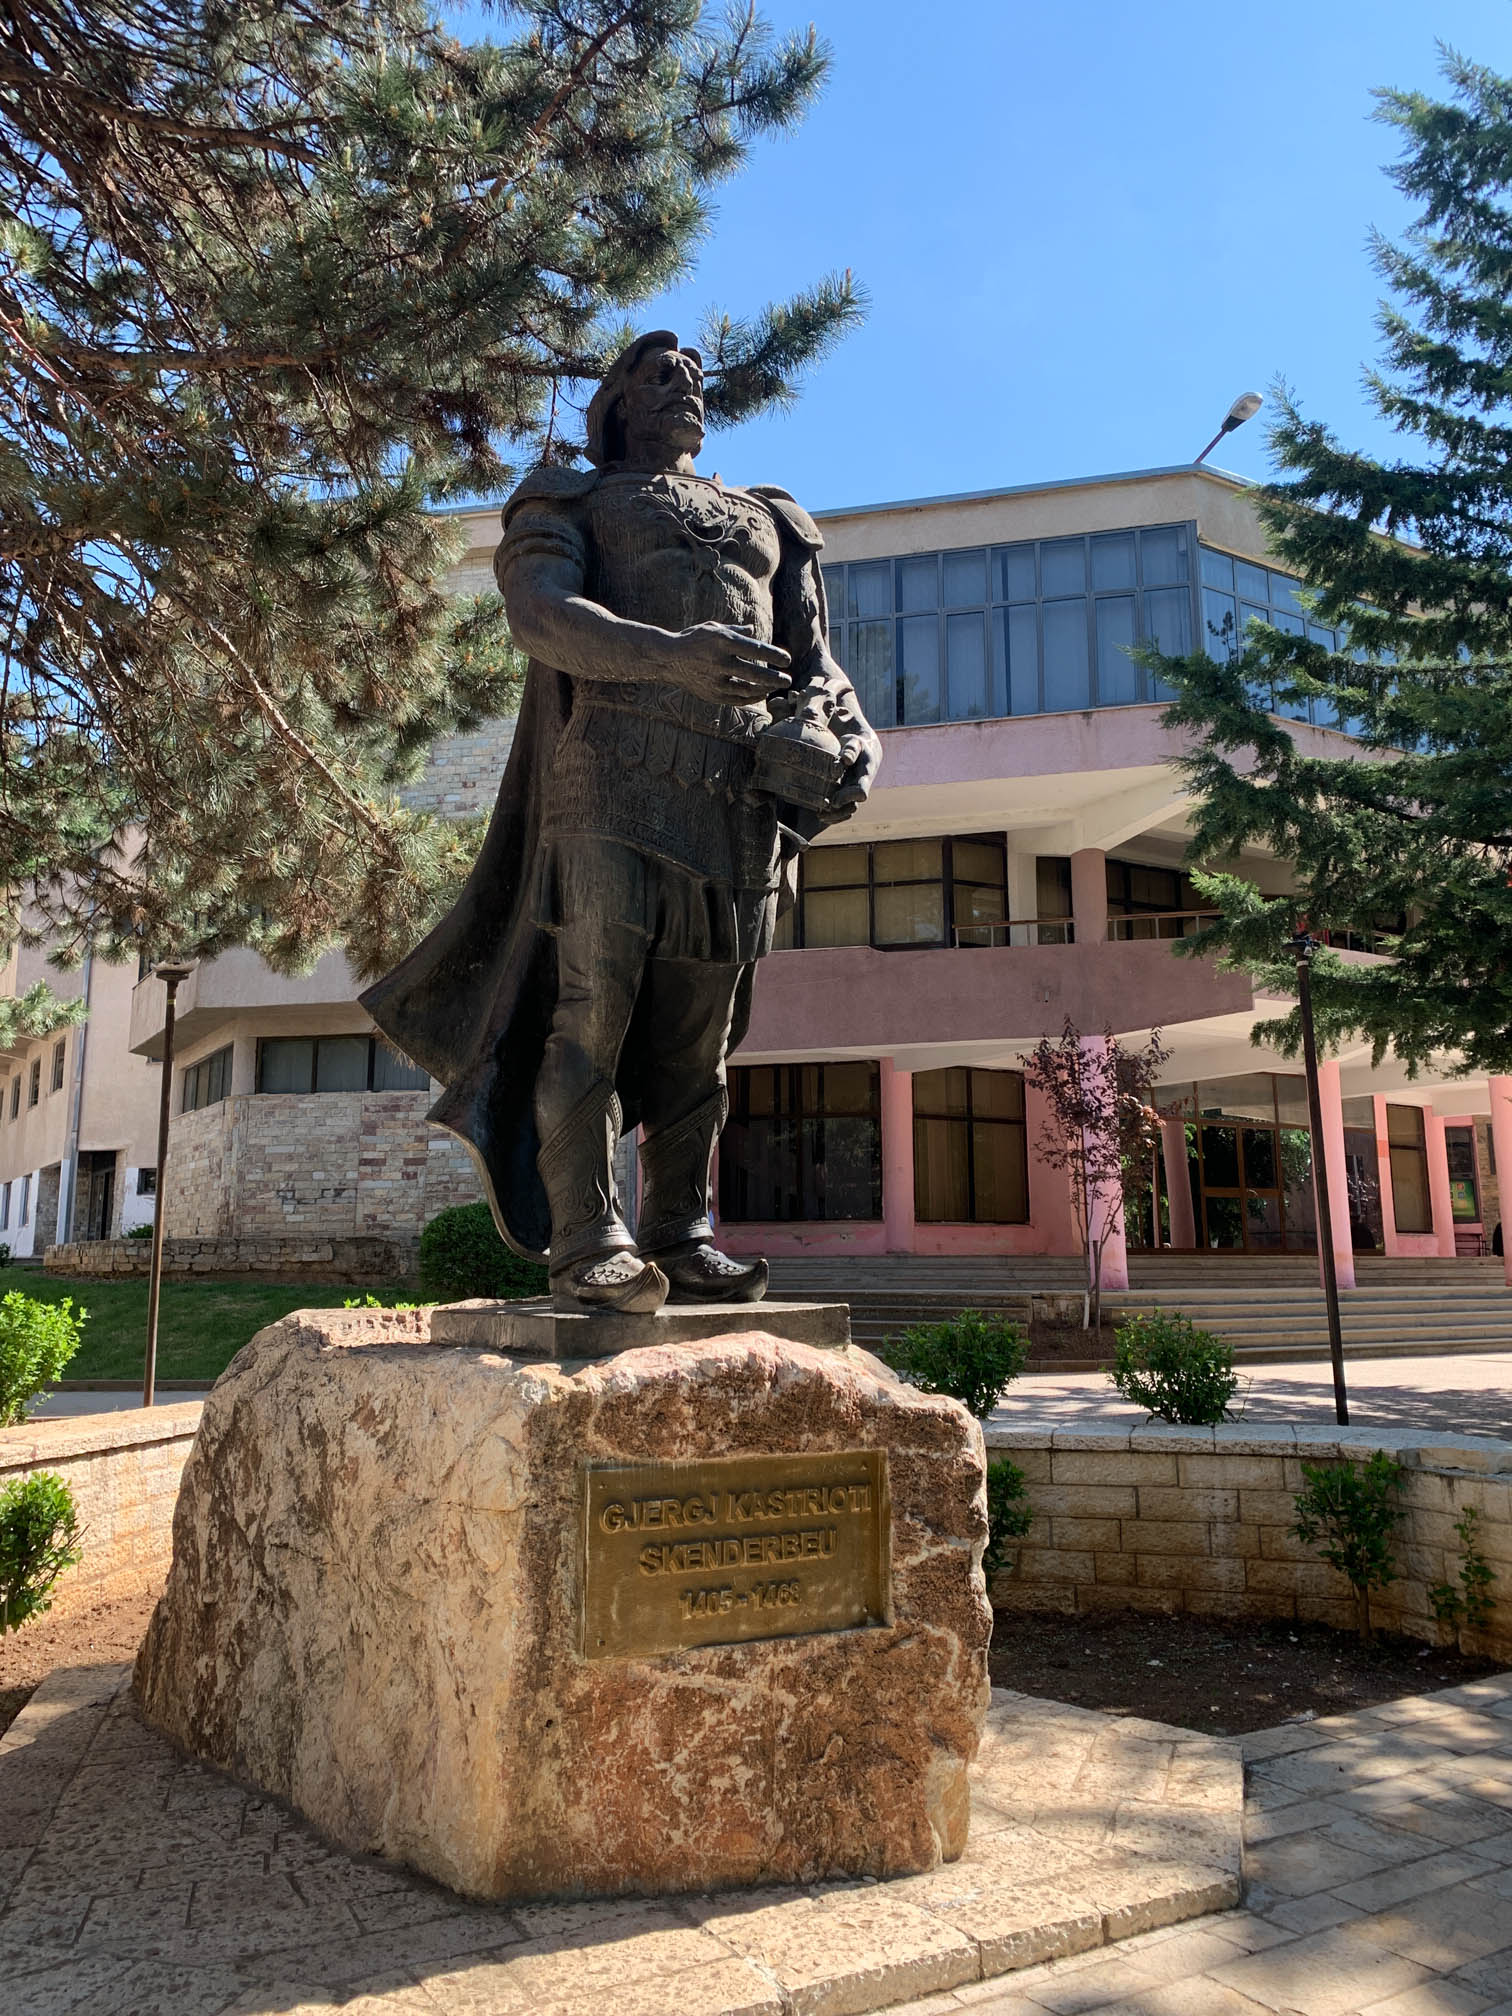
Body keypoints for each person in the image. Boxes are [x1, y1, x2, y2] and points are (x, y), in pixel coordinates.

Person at [361, 332, 881, 1312]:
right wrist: (671, 656)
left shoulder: (772, 518)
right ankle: (588, 1238)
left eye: (694, 378)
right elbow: (540, 616)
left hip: (736, 801)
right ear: (617, 406)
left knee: (701, 1041)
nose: (684, 387)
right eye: (657, 377)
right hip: (608, 783)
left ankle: (680, 1232)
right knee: (591, 1016)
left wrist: (829, 736)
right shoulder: (571, 499)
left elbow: (819, 668)